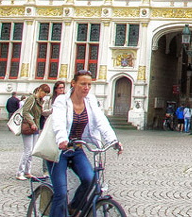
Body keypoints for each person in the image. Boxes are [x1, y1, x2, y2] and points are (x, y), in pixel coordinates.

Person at [50, 70, 123, 217]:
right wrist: (62, 139)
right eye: (83, 84)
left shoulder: (90, 100)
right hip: (58, 150)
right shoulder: (62, 101)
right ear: (73, 83)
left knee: (90, 179)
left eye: (89, 84)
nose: (86, 87)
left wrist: (113, 141)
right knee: (61, 193)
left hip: (77, 148)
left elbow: (101, 121)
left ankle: (74, 207)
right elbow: (58, 122)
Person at [16, 84, 50, 181]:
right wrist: (32, 123)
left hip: (36, 127)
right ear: (39, 90)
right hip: (29, 126)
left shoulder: (40, 100)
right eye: (44, 92)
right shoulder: (31, 98)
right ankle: (20, 172)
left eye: (46, 94)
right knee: (27, 150)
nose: (45, 95)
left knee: (32, 151)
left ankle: (27, 171)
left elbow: (40, 114)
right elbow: (25, 111)